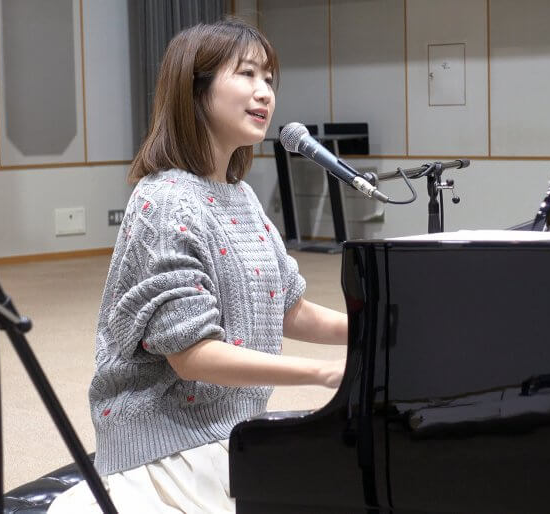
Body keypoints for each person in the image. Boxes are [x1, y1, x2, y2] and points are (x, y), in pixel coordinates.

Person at [48, 18, 347, 513]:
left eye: (269, 78)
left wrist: (373, 328)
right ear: (196, 88)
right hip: (169, 447)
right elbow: (192, 355)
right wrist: (323, 373)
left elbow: (289, 309)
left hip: (230, 434)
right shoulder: (167, 201)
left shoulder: (241, 197)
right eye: (247, 74)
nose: (265, 92)